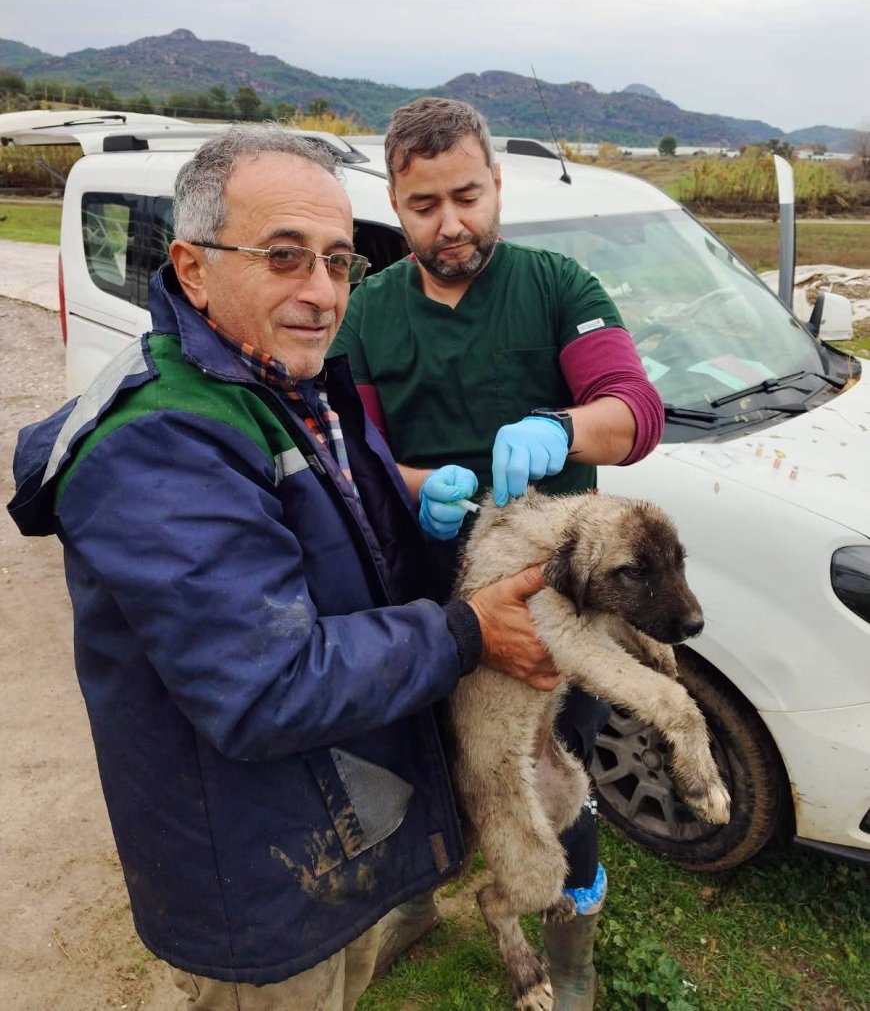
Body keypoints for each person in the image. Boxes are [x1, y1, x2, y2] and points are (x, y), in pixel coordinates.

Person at [7, 124, 561, 1011]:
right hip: (252, 866)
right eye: (284, 256)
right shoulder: (162, 445)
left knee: (342, 979)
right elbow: (265, 684)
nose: (320, 292)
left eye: (340, 262)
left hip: (319, 826)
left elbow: (346, 565)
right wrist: (466, 630)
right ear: (192, 269)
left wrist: (428, 534)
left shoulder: (290, 381)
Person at [330, 97, 665, 1008]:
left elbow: (635, 410)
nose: (451, 223)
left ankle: (569, 951)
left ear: (496, 183)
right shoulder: (365, 317)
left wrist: (563, 428)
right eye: (424, 205)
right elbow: (353, 454)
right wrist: (414, 488)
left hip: (556, 609)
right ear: (395, 204)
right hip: (429, 606)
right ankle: (415, 904)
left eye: (468, 196)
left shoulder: (557, 285)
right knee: (426, 767)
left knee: (558, 781)